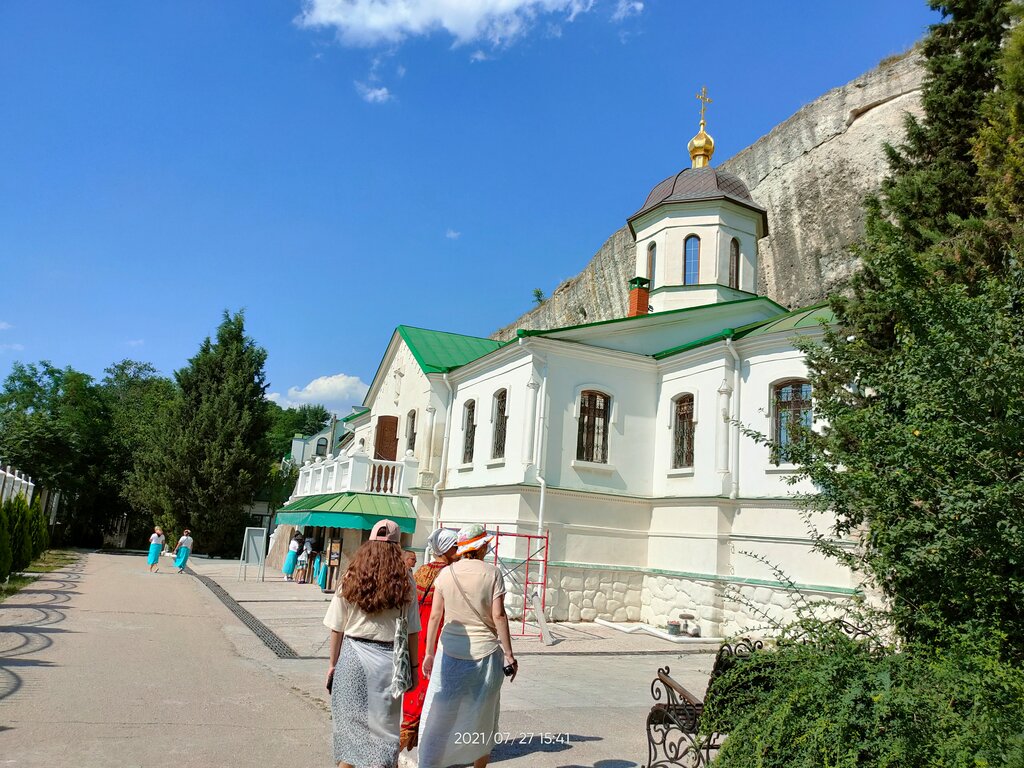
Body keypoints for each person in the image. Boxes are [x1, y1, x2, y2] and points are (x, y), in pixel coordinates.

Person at [418, 524, 518, 768]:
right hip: (485, 653)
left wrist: (429, 653)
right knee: (482, 715)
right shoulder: (492, 573)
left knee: (443, 713)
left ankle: (432, 762)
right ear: (481, 546)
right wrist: (509, 654)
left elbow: (435, 616)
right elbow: (499, 615)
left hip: (449, 652)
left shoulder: (446, 574)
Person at [323, 520, 420, 768]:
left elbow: (337, 626)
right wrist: (415, 669)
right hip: (388, 662)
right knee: (384, 735)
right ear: (398, 546)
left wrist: (333, 664)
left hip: (352, 657)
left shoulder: (352, 575)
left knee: (350, 736)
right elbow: (412, 630)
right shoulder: (406, 580)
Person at [400, 529, 458, 752]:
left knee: (416, 689)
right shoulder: (450, 574)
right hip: (438, 638)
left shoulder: (422, 571)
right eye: (454, 547)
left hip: (417, 635)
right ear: (446, 550)